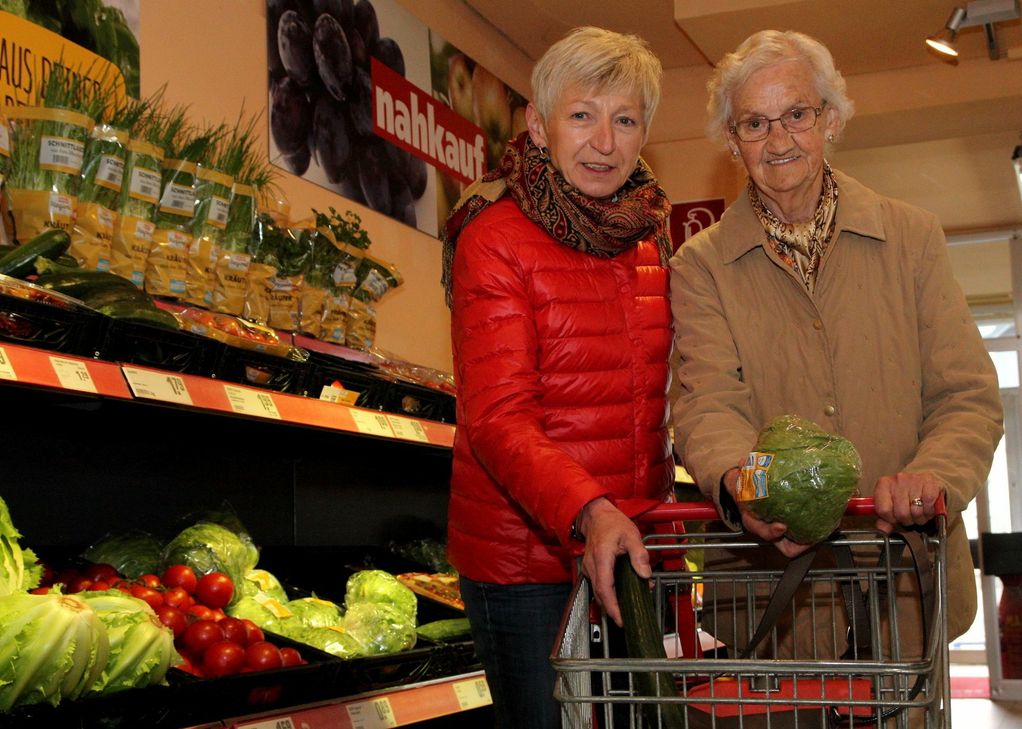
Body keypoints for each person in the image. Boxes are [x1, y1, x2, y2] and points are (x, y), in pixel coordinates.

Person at [671, 25, 1003, 695]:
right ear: (732, 142)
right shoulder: (700, 266)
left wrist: (932, 475)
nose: (779, 138)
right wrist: (748, 484)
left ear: (829, 118)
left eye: (796, 113)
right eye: (754, 124)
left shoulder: (912, 238)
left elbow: (965, 395)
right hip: (774, 603)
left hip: (906, 591)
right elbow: (709, 405)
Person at [440, 26, 674, 729]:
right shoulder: (494, 240)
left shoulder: (649, 240)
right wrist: (590, 507)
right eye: (582, 115)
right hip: (524, 564)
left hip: (632, 547)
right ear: (540, 129)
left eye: (625, 119)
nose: (605, 140)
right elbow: (497, 418)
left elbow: (662, 394)